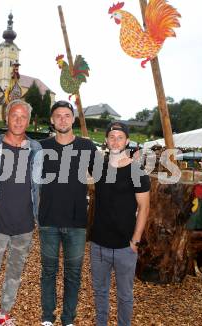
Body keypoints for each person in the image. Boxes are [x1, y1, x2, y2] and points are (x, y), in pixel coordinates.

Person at [0, 99, 43, 326]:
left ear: (29, 121)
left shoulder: (36, 149)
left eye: (23, 116)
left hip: (24, 225)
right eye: (14, 115)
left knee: (14, 273)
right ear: (6, 118)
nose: (18, 120)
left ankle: (4, 314)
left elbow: (40, 184)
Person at [38, 101, 97, 326]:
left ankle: (68, 319)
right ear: (52, 120)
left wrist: (129, 163)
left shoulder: (87, 146)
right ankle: (47, 317)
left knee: (73, 275)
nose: (62, 119)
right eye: (58, 116)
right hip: (48, 221)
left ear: (72, 119)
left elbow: (104, 177)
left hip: (76, 222)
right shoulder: (41, 147)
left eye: (66, 115)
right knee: (48, 272)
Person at [90, 121, 150, 326]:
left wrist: (136, 240)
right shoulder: (98, 167)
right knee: (100, 292)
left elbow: (144, 207)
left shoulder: (137, 172)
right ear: (106, 140)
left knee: (125, 295)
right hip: (98, 244)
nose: (115, 141)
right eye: (112, 137)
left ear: (127, 141)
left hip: (126, 245)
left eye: (120, 137)